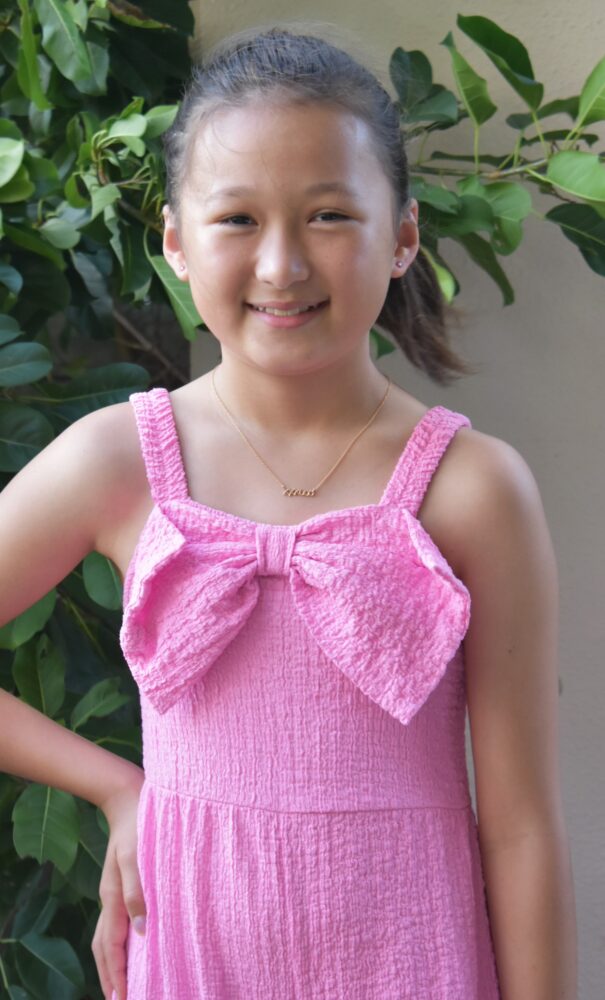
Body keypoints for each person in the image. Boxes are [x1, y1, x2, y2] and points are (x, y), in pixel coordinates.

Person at [0, 24, 577, 1000]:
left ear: (401, 237)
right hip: (194, 961)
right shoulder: (118, 462)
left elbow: (520, 828)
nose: (280, 265)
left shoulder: (474, 488)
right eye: (236, 218)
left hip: (414, 965)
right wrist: (115, 785)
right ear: (175, 243)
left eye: (327, 215)